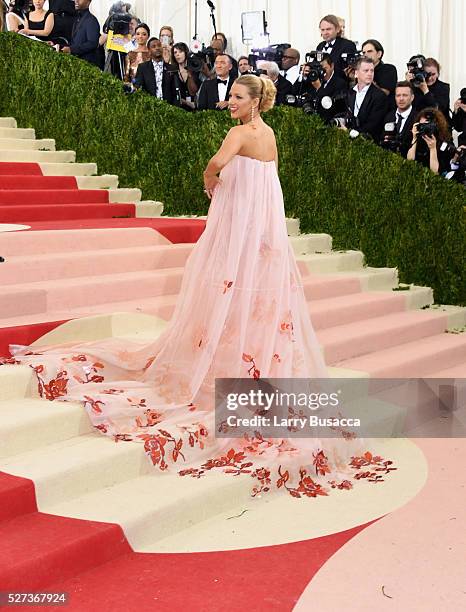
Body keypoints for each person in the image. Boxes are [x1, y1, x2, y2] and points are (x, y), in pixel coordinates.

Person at [7, 72, 394, 499]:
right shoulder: (269, 136)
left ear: (253, 102)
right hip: (259, 232)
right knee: (253, 302)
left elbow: (215, 163)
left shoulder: (238, 134)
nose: (230, 102)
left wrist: (211, 180)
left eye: (236, 96)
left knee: (220, 288)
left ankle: (219, 364)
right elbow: (272, 182)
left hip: (238, 230)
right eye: (230, 96)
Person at [346, 57, 388, 141]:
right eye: (366, 71)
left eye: (372, 71)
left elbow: (374, 124)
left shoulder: (379, 96)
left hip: (370, 143)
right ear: (356, 73)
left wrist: (351, 132)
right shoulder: (350, 93)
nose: (370, 74)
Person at [407, 107, 454, 175]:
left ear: (436, 125)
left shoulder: (444, 142)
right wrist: (414, 138)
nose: (424, 128)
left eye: (427, 125)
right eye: (421, 125)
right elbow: (409, 162)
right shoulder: (416, 137)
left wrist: (433, 149)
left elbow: (435, 172)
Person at [134, 37, 179, 104]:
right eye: (154, 46)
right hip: (149, 109)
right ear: (149, 51)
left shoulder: (172, 68)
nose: (157, 48)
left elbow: (176, 92)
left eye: (159, 45)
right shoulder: (142, 68)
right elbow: (139, 89)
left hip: (169, 109)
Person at [382, 81, 417, 157]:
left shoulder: (417, 118)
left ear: (412, 97)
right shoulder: (388, 116)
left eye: (405, 95)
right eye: (398, 95)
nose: (401, 99)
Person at [316, 14, 356, 78]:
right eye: (323, 30)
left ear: (337, 29)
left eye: (328, 29)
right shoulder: (320, 46)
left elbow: (347, 70)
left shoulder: (347, 45)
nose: (325, 33)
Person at [61, 0, 100, 67]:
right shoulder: (77, 19)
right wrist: (57, 46)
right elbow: (75, 42)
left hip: (87, 65)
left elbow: (92, 43)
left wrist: (71, 50)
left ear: (88, 2)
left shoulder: (92, 20)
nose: (76, 0)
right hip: (77, 63)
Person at [171, 42, 200, 110]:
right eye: (175, 52)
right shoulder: (173, 71)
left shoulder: (194, 69)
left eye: (180, 52)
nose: (177, 54)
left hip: (194, 108)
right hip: (178, 108)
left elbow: (194, 91)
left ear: (186, 53)